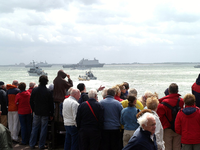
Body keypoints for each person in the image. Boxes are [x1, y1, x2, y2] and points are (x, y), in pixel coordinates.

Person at [29, 75, 54, 149]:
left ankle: (32, 144)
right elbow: (51, 104)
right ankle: (41, 145)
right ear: (47, 82)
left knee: (34, 128)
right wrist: (51, 113)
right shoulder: (48, 91)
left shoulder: (35, 90)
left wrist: (34, 109)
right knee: (43, 129)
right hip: (45, 112)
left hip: (37, 111)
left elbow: (31, 101)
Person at [157, 83, 184, 150]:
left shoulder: (162, 103)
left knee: (167, 147)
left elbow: (159, 117)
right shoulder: (181, 101)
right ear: (177, 91)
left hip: (167, 128)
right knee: (177, 147)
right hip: (178, 128)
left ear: (169, 91)